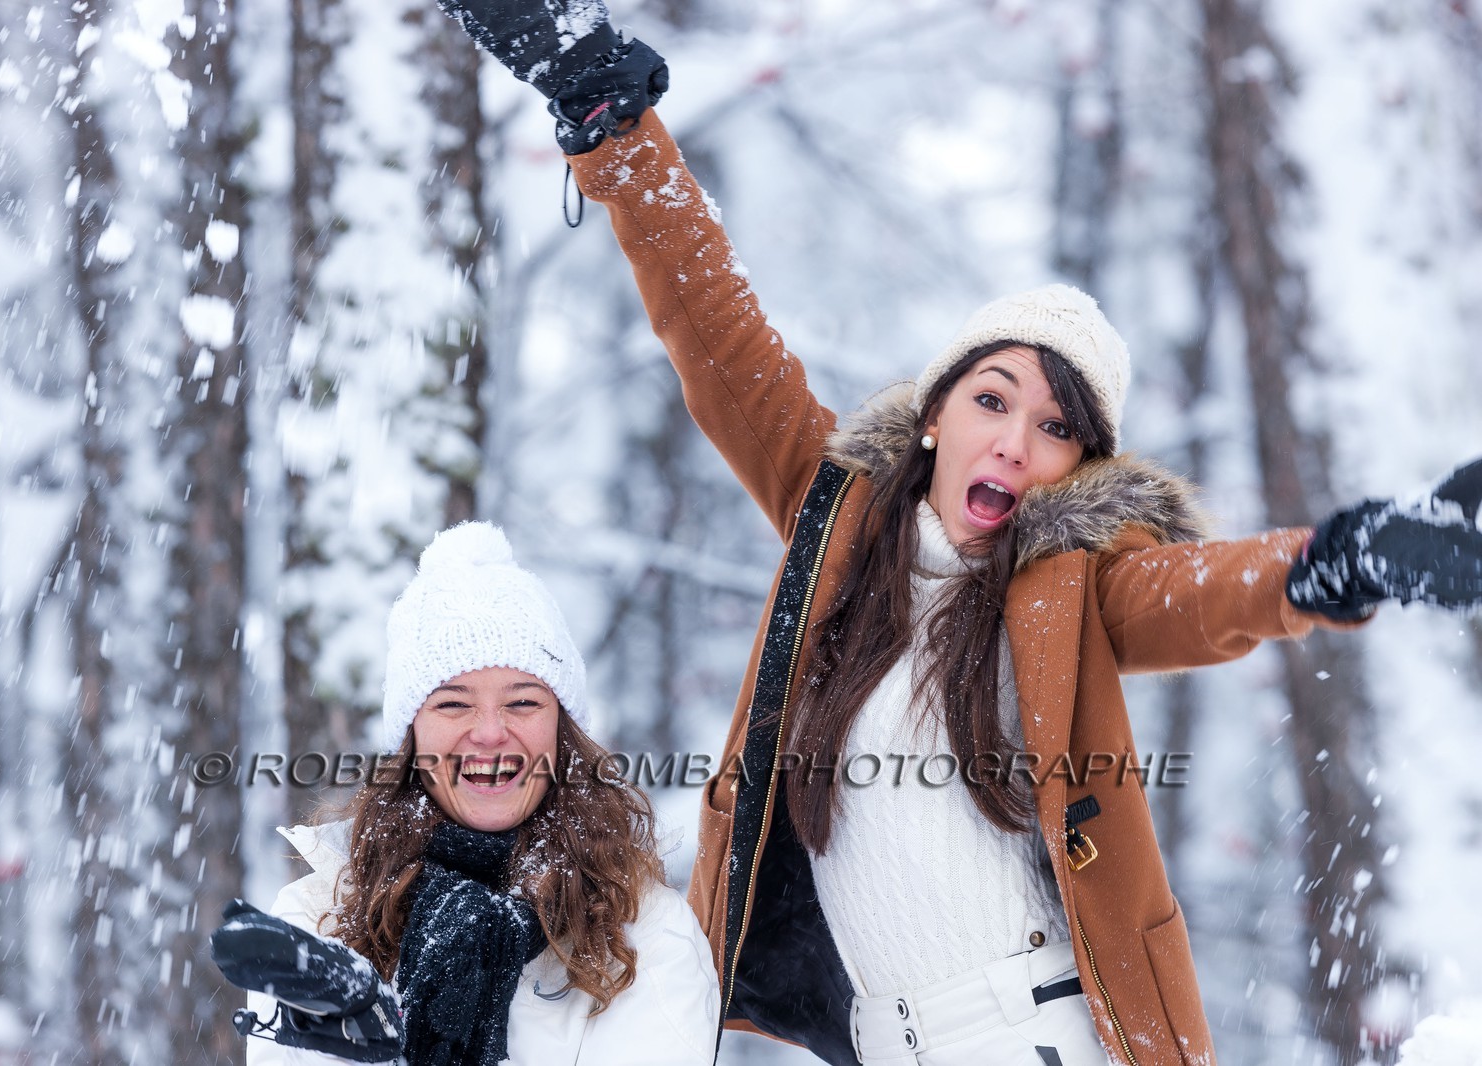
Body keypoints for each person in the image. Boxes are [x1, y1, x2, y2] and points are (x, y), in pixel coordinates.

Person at [431, 3, 1482, 1065]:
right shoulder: (833, 523)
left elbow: (1196, 593)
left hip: (1047, 1033)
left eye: (1057, 427)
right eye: (993, 399)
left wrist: (1334, 562)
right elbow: (714, 332)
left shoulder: (1069, 587)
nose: (1016, 442)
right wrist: (613, 125)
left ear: (1082, 466)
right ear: (934, 414)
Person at [216, 522, 720, 1065]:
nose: (488, 732)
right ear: (411, 738)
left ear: (562, 732)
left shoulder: (644, 938)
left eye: (522, 703)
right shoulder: (320, 921)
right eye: (453, 704)